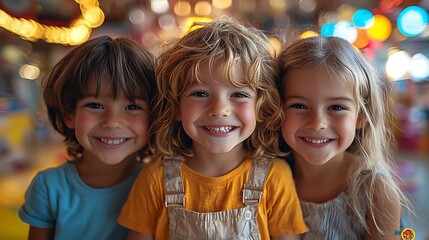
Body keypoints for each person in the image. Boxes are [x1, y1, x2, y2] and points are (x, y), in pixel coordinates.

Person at [118, 17, 308, 240]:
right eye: (200, 94)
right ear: (176, 107)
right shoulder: (155, 178)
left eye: (238, 94)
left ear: (260, 107)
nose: (219, 109)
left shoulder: (275, 178)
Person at [18, 36, 156, 240]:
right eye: (95, 105)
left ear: (155, 117)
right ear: (69, 115)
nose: (112, 122)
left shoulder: (159, 184)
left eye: (132, 107)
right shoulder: (49, 187)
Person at [277, 36, 410, 239]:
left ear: (362, 116)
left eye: (337, 107)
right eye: (299, 106)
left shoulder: (376, 191)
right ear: (276, 110)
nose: (317, 123)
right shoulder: (266, 177)